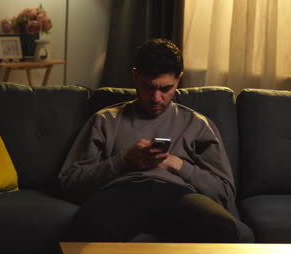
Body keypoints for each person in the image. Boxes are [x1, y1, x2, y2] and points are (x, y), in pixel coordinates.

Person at [58, 38, 253, 243]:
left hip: (180, 195)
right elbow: (70, 183)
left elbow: (224, 194)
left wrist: (177, 164)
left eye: (166, 88)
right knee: (86, 228)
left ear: (179, 79)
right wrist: (123, 160)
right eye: (148, 87)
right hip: (121, 193)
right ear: (135, 76)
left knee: (221, 227)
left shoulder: (198, 125)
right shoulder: (105, 120)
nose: (156, 98)